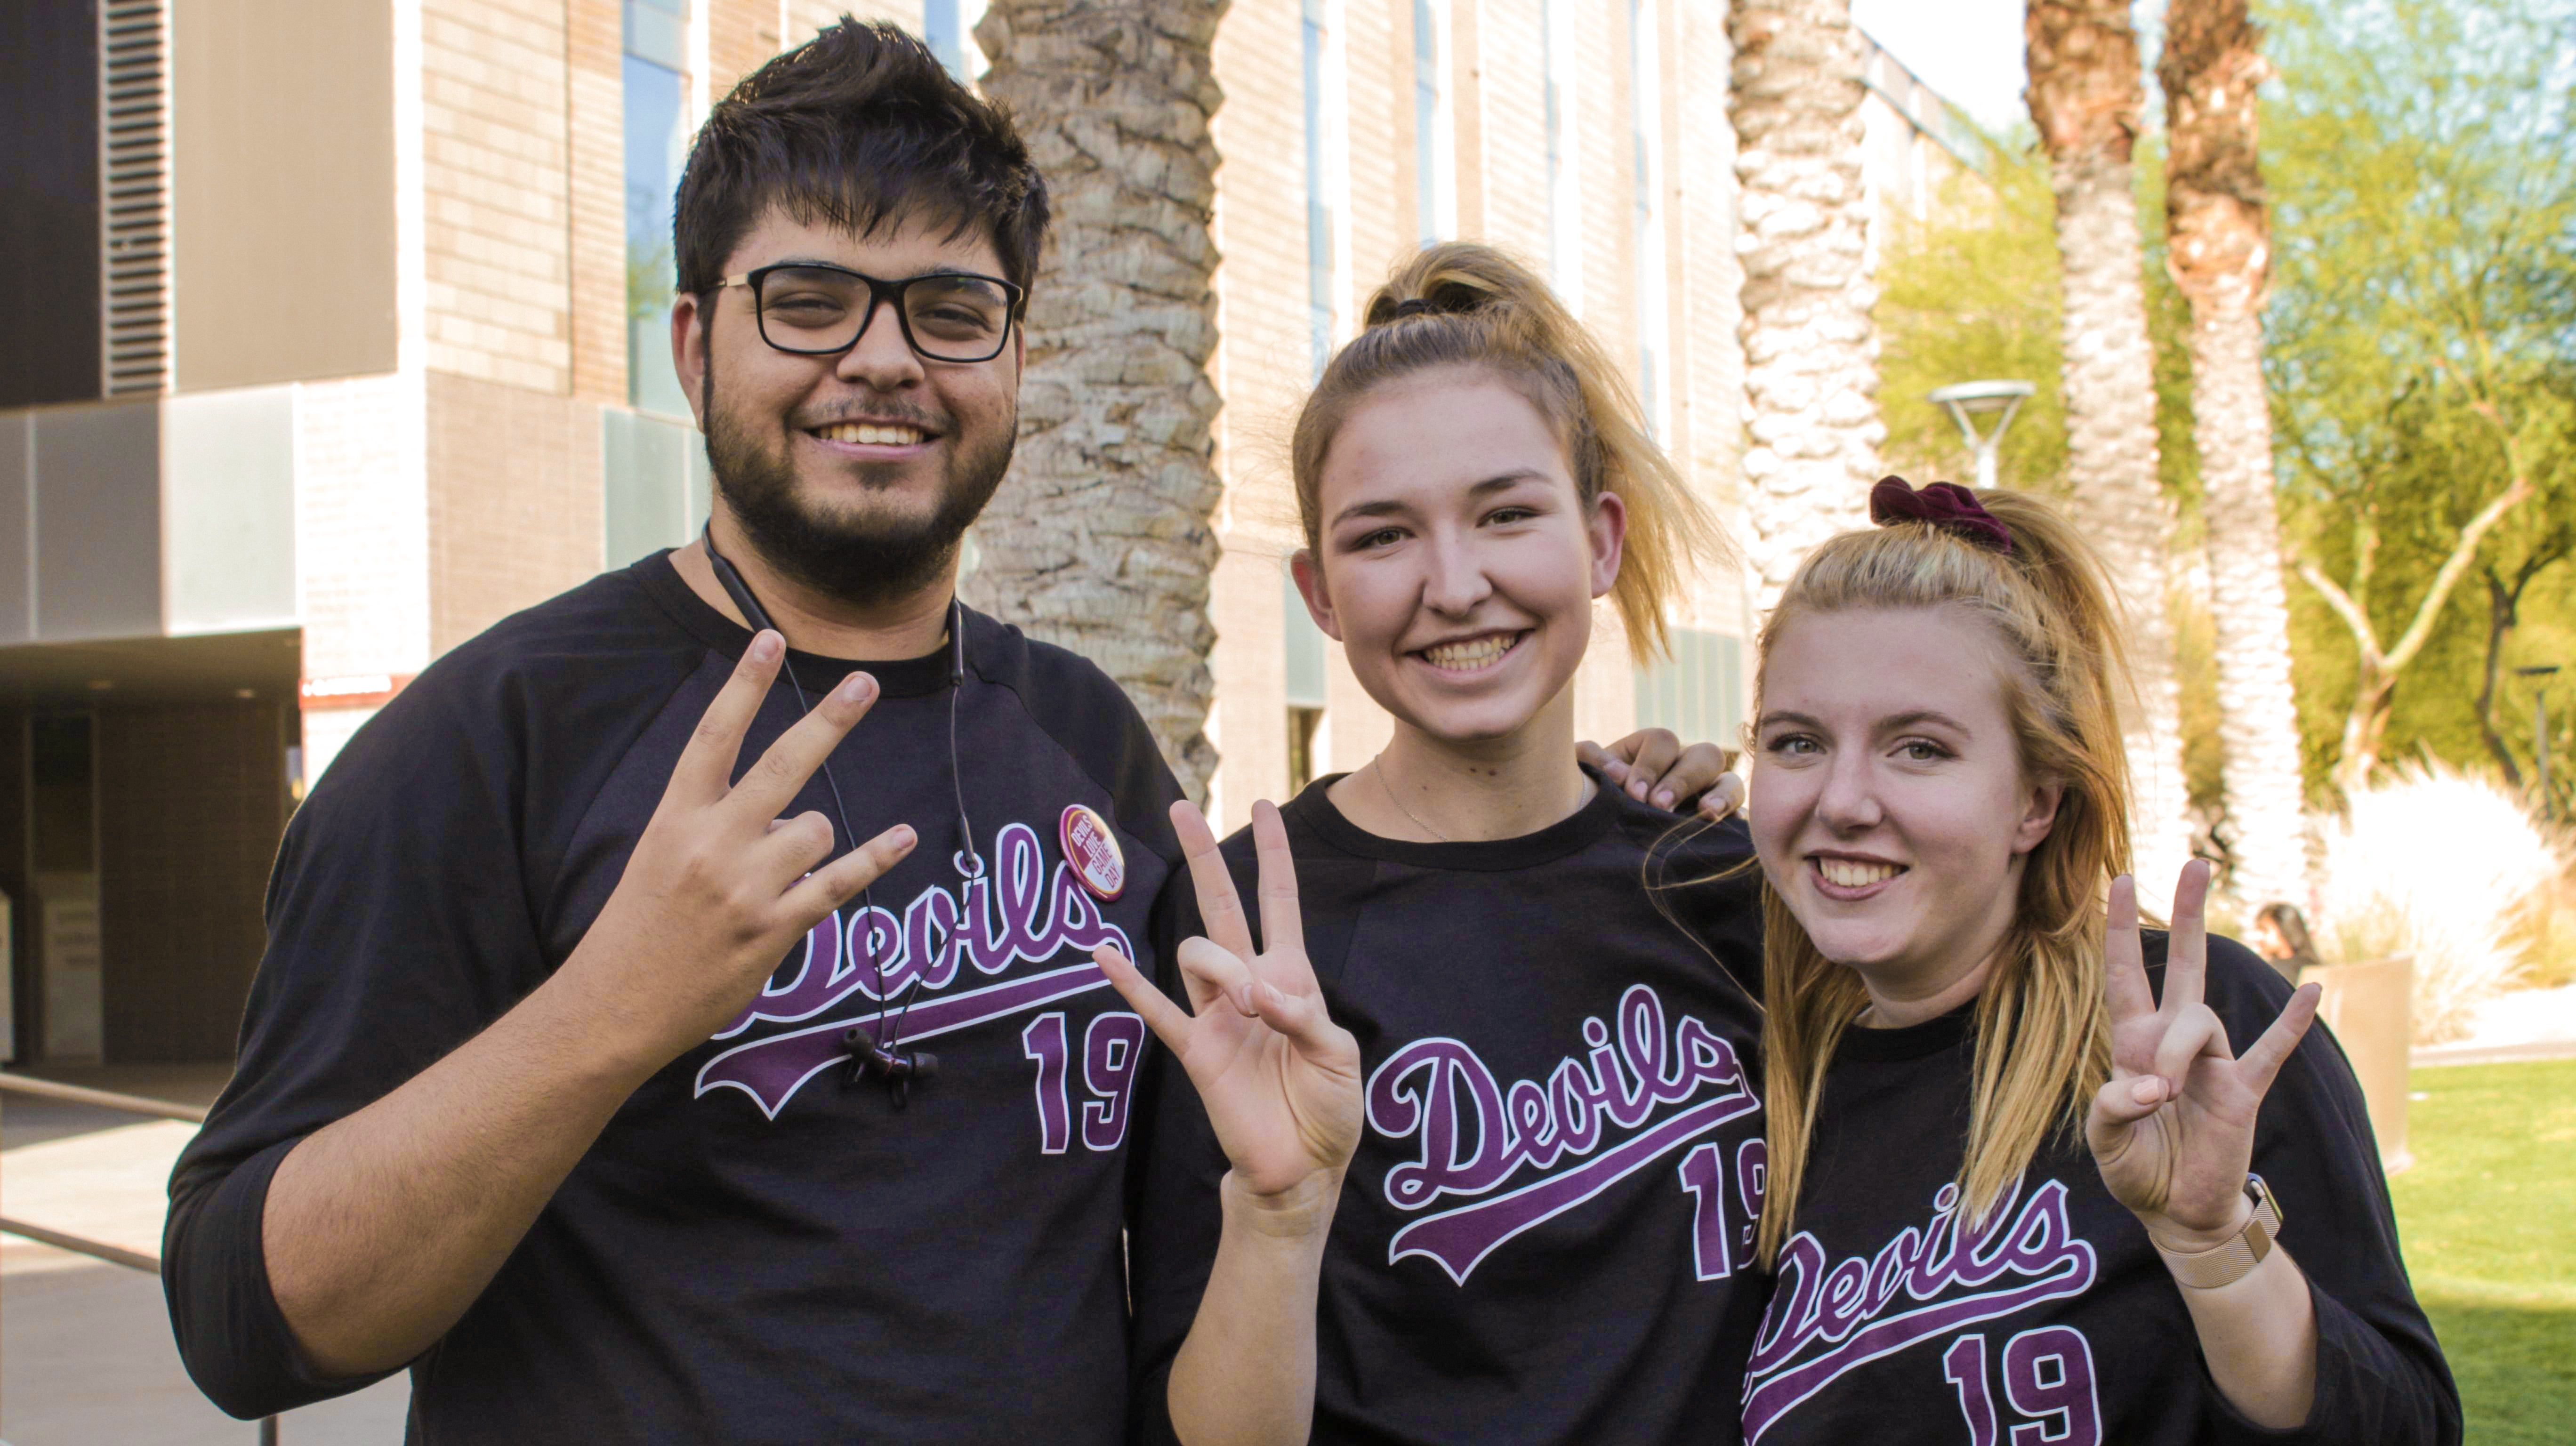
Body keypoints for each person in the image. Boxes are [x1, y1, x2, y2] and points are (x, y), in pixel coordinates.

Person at [160, 23, 1732, 1439]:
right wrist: (609, 1011)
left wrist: (1647, 798)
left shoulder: (1092, 748)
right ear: (697, 347)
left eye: (950, 308)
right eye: (810, 300)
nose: (885, 356)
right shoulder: (491, 740)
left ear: (1015, 363)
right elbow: (245, 1321)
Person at [1111, 242, 1769, 1446]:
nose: (1454, 583)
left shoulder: (1725, 884)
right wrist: (1277, 1207)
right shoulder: (1248, 927)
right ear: (1318, 593)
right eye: (1382, 537)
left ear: (1601, 540)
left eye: (1507, 513)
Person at [1734, 480, 2458, 1444]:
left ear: (2036, 801)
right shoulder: (1759, 1080)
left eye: (1918, 749)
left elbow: (2404, 1429)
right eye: (1798, 743)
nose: (1845, 800)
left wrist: (2213, 1245)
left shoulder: (2191, 1029)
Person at [2252, 900, 2323, 983]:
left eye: (2265, 930)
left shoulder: (2276, 971)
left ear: (2286, 929)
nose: (2259, 938)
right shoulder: (2316, 968)